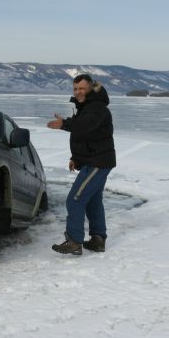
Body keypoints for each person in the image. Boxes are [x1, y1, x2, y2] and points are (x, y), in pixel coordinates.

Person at [47, 74, 116, 255]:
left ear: (90, 88)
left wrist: (64, 124)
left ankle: (74, 241)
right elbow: (84, 136)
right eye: (75, 89)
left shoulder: (96, 107)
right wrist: (75, 158)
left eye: (82, 89)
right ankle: (98, 240)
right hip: (96, 160)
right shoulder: (86, 107)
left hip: (98, 162)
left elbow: (84, 126)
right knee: (93, 200)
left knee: (75, 199)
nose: (78, 92)